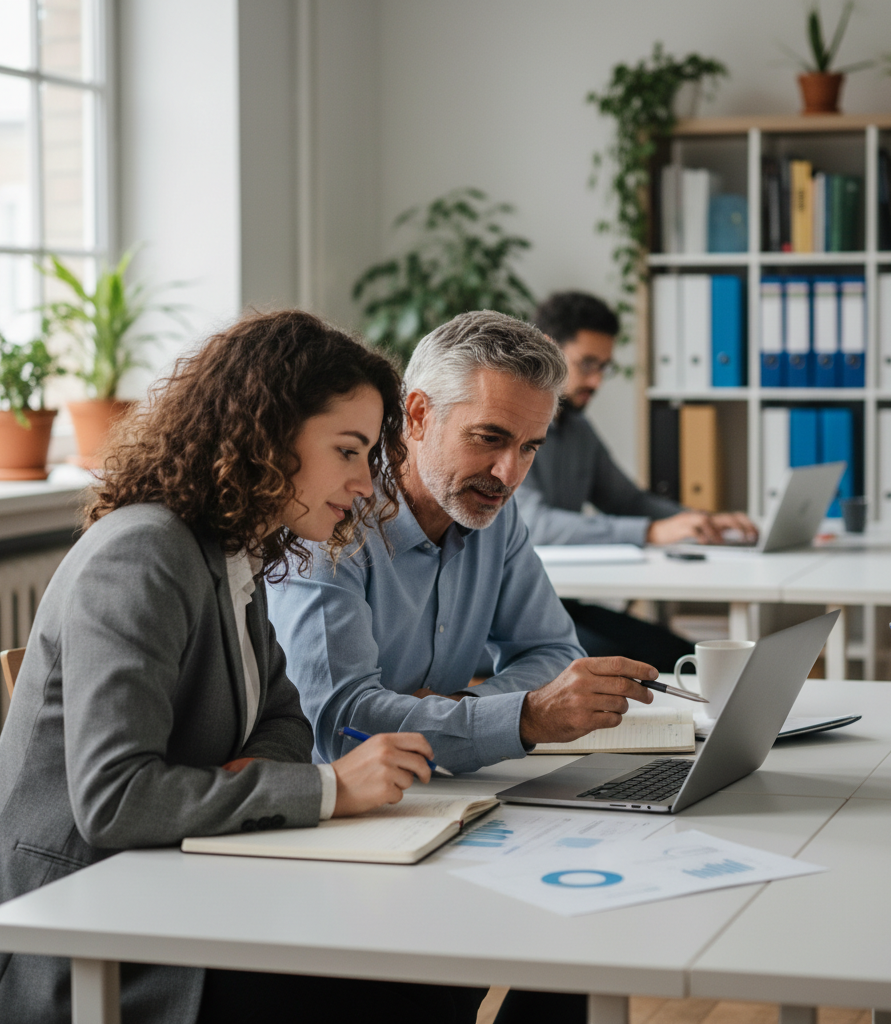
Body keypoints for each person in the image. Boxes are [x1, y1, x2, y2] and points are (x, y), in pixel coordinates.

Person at [0, 310, 486, 1024]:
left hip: (165, 891)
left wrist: (249, 777)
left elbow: (282, 719)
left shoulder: (233, 550)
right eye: (347, 451)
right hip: (61, 947)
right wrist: (323, 788)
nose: (365, 486)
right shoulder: (144, 554)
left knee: (440, 965)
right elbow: (117, 800)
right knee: (417, 983)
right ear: (270, 433)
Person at [268, 310, 658, 1024]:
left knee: (585, 930)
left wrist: (459, 710)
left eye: (531, 448)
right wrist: (520, 714)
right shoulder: (332, 520)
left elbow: (552, 651)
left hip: (440, 812)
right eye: (490, 439)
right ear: (416, 416)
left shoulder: (492, 513)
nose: (510, 473)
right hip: (337, 852)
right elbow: (344, 724)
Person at [519, 291, 757, 669]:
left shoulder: (577, 426)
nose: (596, 381)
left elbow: (627, 500)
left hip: (562, 602)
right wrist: (649, 532)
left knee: (683, 655)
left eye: (604, 367)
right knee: (655, 662)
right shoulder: (516, 426)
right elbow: (537, 525)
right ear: (548, 349)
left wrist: (699, 520)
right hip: (511, 619)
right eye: (587, 364)